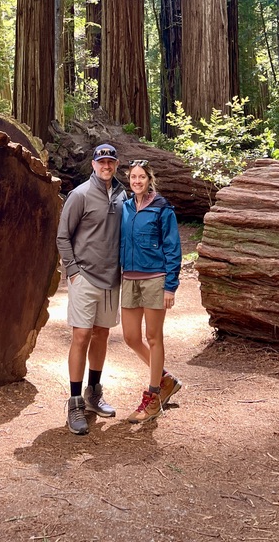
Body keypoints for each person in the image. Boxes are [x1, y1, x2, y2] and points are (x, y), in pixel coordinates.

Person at [56, 143, 126, 435]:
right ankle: (74, 402)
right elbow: (63, 236)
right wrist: (72, 272)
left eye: (110, 161)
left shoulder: (124, 196)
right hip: (84, 275)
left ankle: (93, 393)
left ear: (116, 164)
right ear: (93, 165)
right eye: (101, 162)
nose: (106, 166)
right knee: (81, 335)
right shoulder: (80, 194)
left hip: (112, 279)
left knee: (101, 335)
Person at [120, 159, 182, 424]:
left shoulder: (161, 208)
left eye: (141, 177)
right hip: (129, 279)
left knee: (154, 337)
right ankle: (165, 378)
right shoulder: (123, 207)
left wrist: (170, 286)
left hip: (155, 279)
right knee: (131, 337)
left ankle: (154, 396)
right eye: (133, 177)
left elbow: (173, 247)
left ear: (149, 179)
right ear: (129, 180)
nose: (137, 181)